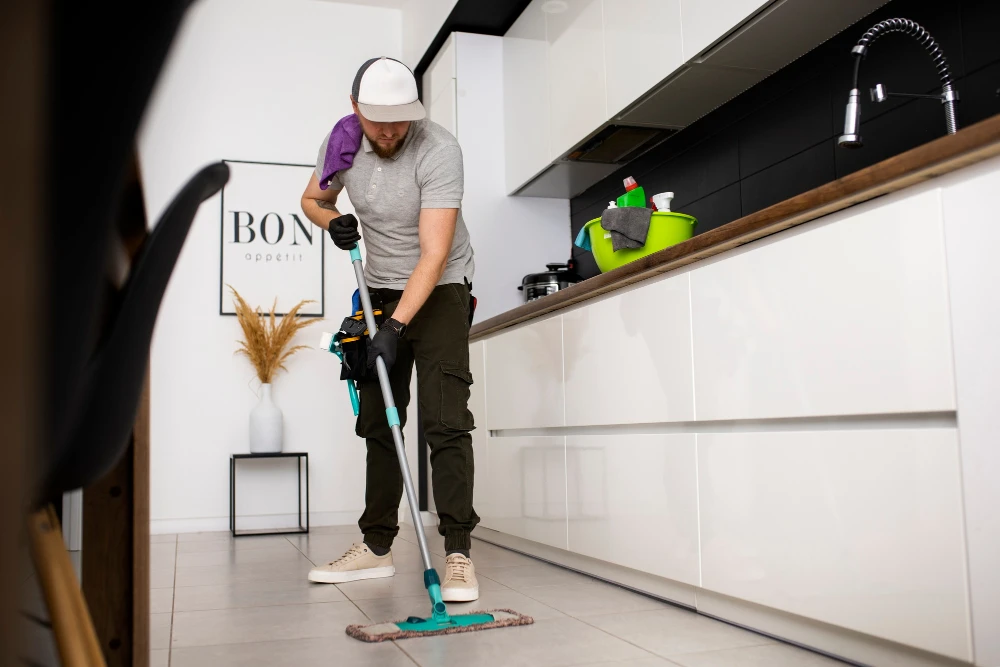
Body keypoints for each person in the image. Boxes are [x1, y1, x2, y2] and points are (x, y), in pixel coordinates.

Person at [299, 56, 480, 602]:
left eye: (400, 120)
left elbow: (434, 252)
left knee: (445, 420)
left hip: (441, 288)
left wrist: (396, 328)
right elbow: (312, 199)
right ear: (355, 108)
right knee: (379, 420)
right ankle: (376, 547)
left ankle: (458, 554)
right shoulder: (342, 142)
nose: (389, 131)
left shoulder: (438, 149)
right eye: (377, 120)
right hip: (377, 290)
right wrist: (334, 220)